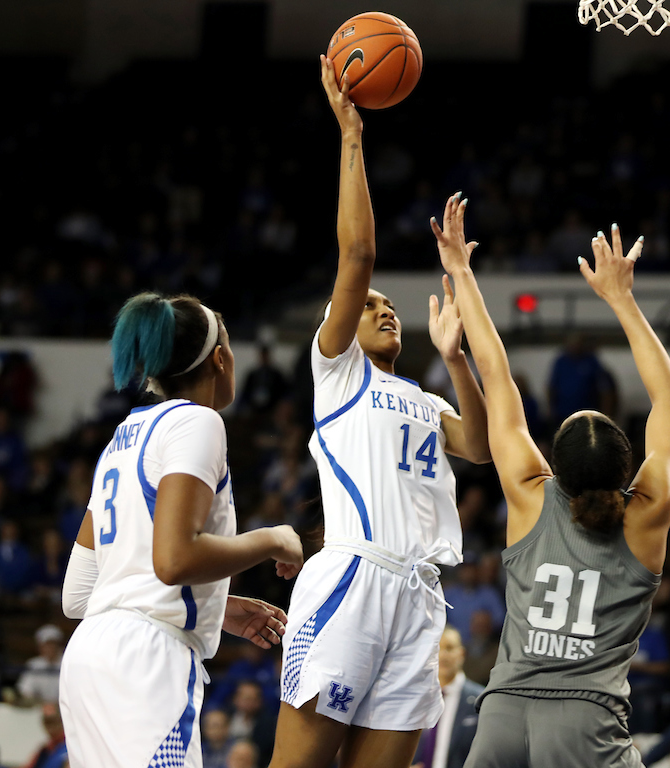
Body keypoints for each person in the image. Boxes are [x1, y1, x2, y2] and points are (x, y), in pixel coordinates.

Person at [269, 58, 490, 768]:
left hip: (421, 593)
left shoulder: (424, 398)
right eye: (369, 306)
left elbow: (481, 448)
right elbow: (358, 253)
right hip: (352, 578)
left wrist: (458, 360)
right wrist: (351, 135)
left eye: (390, 306)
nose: (383, 307)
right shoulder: (337, 372)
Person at [433, 202, 670, 767]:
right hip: (584, 720)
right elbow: (669, 400)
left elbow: (496, 377)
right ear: (628, 472)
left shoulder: (529, 493)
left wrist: (462, 273)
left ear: (555, 468)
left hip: (501, 716)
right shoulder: (647, 515)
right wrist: (621, 299)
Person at [59, 291, 304, 768]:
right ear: (219, 358)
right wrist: (272, 537)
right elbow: (174, 561)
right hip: (144, 665)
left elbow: (78, 595)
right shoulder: (198, 422)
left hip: (89, 658)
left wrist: (215, 605)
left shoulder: (121, 439)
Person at [412, 628, 485, 768]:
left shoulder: (480, 699)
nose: (443, 655)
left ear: (462, 653)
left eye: (449, 648)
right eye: (437, 648)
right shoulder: (416, 696)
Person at [15, 625, 64, 705]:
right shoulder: (33, 664)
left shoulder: (66, 664)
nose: (50, 648)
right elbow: (25, 691)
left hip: (62, 708)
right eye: (46, 644)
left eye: (53, 644)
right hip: (38, 707)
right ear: (40, 646)